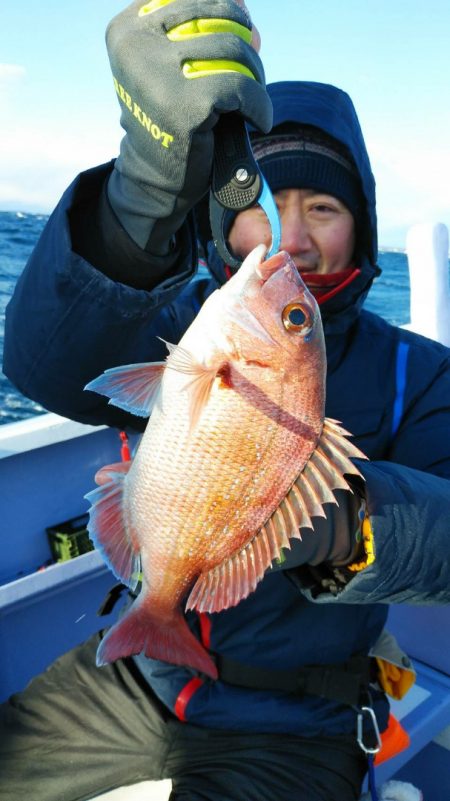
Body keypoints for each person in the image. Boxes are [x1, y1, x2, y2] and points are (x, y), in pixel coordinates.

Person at [2, 2, 450, 800]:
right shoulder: (177, 318)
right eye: (275, 202)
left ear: (364, 223)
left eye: (326, 208)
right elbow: (48, 367)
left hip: (298, 718)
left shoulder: (421, 373)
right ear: (230, 211)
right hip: (136, 676)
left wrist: (343, 522)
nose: (298, 238)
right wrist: (135, 209)